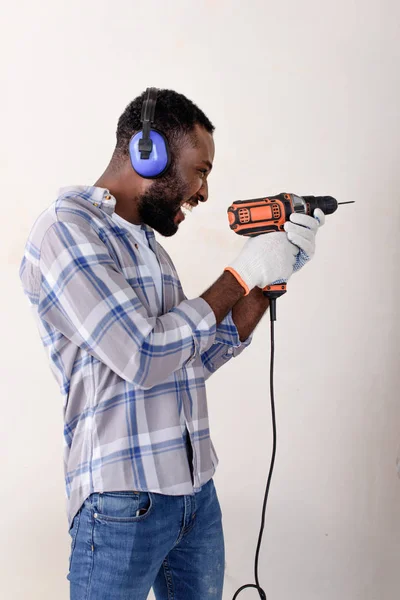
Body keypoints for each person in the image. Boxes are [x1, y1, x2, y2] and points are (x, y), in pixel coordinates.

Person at [19, 88, 324, 600]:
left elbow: (192, 359)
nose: (204, 192)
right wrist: (239, 273)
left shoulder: (148, 247)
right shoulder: (66, 231)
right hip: (121, 503)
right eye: (201, 170)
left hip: (194, 494)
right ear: (148, 153)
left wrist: (271, 276)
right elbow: (142, 355)